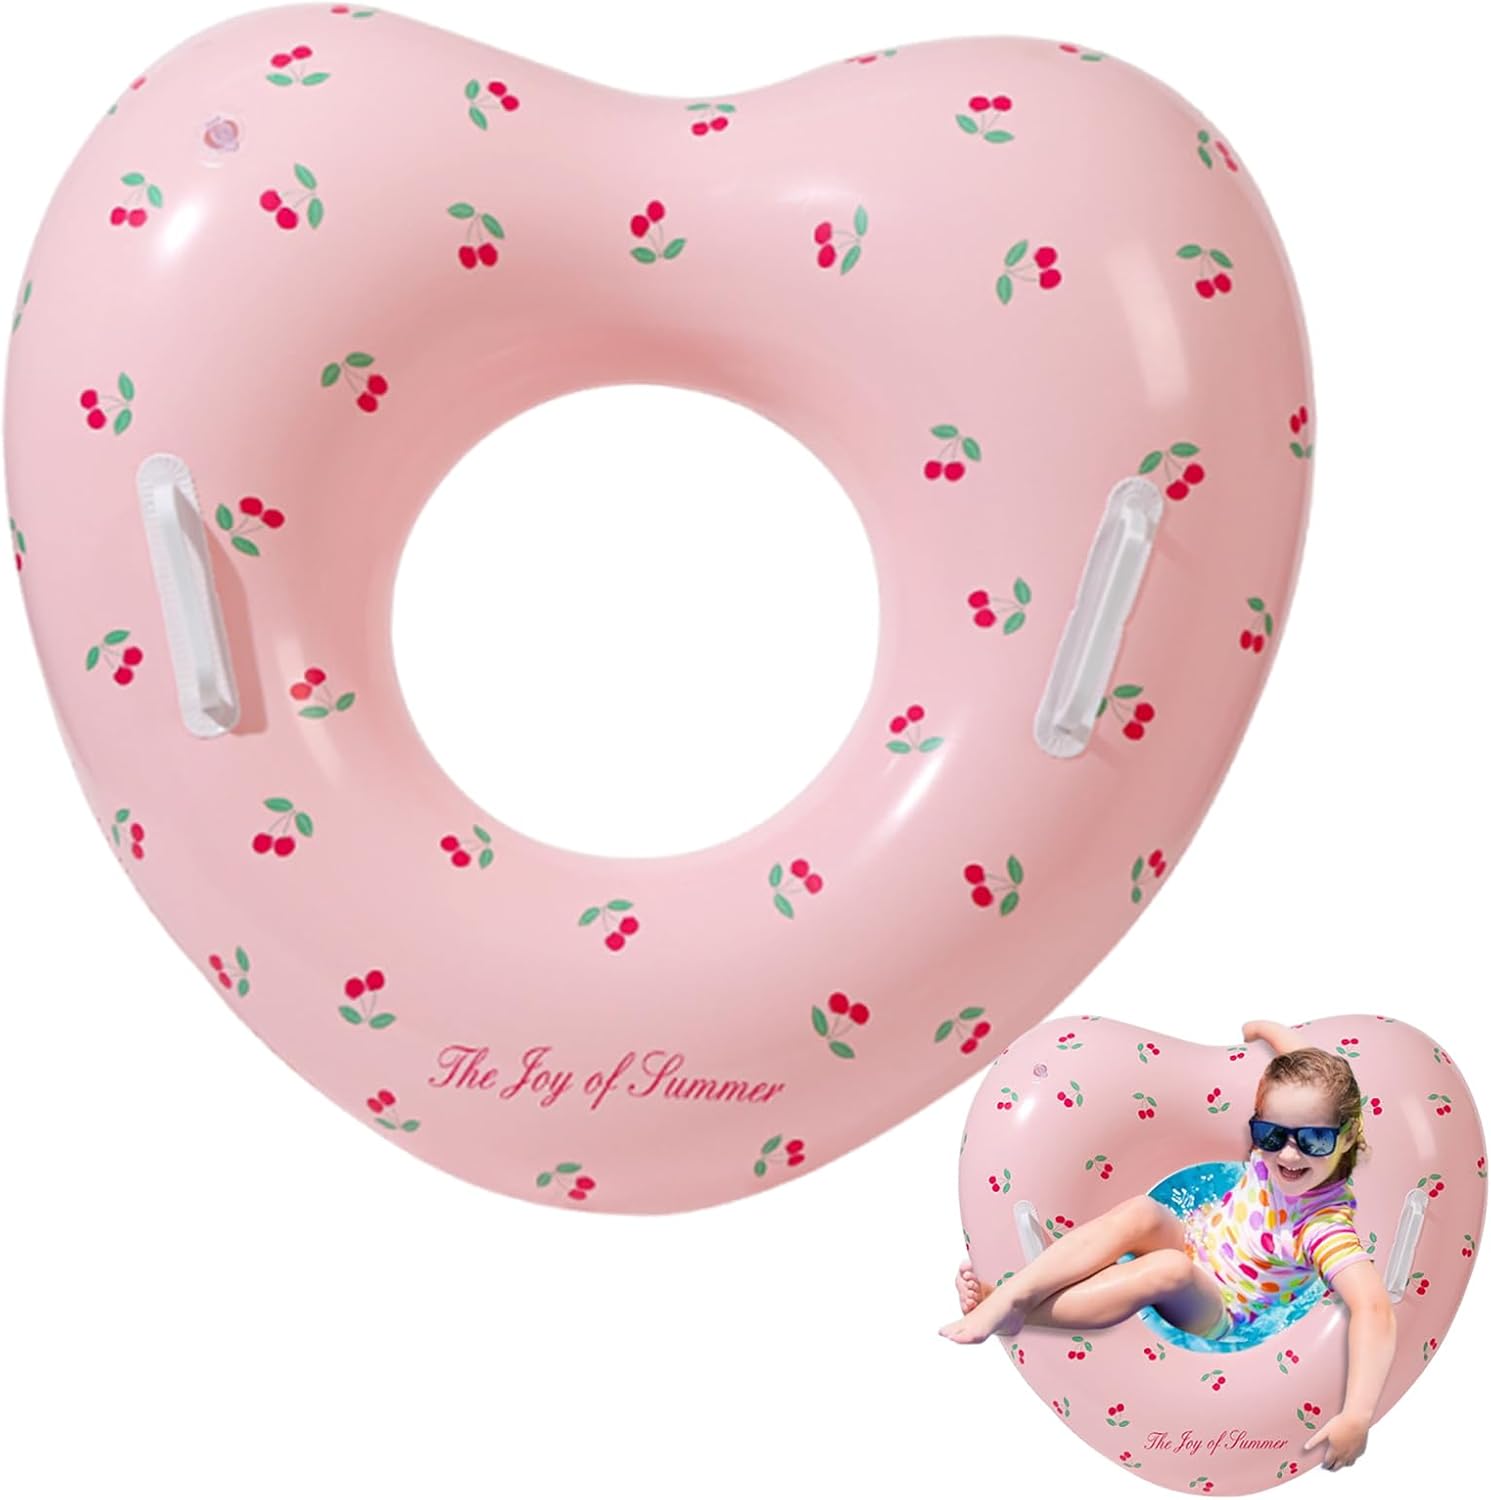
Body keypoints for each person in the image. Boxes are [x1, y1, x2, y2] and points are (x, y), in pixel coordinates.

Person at [938, 1018, 1397, 1470]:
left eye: (1313, 1139)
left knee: (1168, 1270)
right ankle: (1016, 1290)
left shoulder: (1322, 1227)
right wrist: (1267, 1030)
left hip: (1219, 1308)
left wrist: (1357, 1416)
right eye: (1271, 1135)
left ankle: (1017, 1312)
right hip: (1197, 1239)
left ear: (1347, 1136)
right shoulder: (1296, 1128)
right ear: (1259, 1121)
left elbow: (1373, 1308)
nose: (1289, 1153)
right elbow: (1304, 1069)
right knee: (1142, 1212)